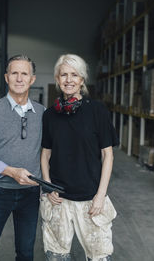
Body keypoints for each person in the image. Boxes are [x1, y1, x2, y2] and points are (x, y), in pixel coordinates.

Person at [40, 54, 119, 261]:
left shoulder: (97, 111)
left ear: (82, 80)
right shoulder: (49, 115)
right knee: (56, 256)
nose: (68, 80)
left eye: (74, 75)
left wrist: (100, 195)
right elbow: (45, 154)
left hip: (91, 200)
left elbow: (107, 155)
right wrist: (48, 186)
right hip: (58, 200)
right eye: (63, 75)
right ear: (57, 79)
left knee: (99, 257)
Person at [0, 54, 45, 261]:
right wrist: (11, 171)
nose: (19, 78)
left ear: (32, 79)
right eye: (14, 73)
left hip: (31, 194)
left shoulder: (42, 113)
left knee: (25, 251)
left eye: (25, 73)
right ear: (7, 77)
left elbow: (48, 152)